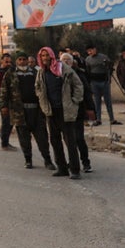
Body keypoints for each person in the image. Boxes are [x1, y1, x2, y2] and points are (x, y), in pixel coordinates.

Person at [0, 52, 53, 170]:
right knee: (24, 138)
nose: (22, 62)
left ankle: (47, 160)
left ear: (28, 61)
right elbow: (3, 91)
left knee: (42, 137)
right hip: (19, 112)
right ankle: (28, 159)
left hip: (36, 111)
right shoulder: (10, 74)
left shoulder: (36, 73)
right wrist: (3, 106)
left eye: (24, 59)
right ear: (16, 61)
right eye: (20, 59)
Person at [35, 47, 83, 179]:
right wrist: (42, 101)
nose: (45, 58)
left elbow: (78, 85)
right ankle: (62, 168)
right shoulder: (41, 72)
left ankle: (75, 169)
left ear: (51, 56)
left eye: (47, 55)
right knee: (55, 141)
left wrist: (75, 101)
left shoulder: (63, 69)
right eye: (42, 56)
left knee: (70, 141)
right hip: (51, 112)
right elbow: (38, 87)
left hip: (65, 110)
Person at [60, 52, 94, 173]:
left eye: (68, 60)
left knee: (79, 138)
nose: (65, 62)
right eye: (63, 60)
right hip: (64, 112)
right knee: (68, 139)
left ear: (72, 62)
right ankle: (73, 161)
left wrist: (90, 108)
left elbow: (86, 92)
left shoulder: (79, 74)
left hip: (77, 110)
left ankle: (86, 162)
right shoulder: (58, 74)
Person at [83, 45, 121, 126]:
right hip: (94, 82)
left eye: (91, 50)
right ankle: (98, 119)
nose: (90, 52)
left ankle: (112, 119)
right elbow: (87, 71)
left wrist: (108, 76)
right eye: (88, 51)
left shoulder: (103, 57)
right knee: (97, 102)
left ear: (95, 49)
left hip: (104, 82)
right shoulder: (88, 60)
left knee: (108, 101)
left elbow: (110, 67)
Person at [0, 53, 16, 151]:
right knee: (6, 122)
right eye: (6, 62)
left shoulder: (10, 71)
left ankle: (6, 141)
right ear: (1, 61)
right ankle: (4, 144)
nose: (8, 64)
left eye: (10, 62)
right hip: (3, 101)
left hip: (11, 101)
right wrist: (3, 104)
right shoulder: (0, 73)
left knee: (10, 122)